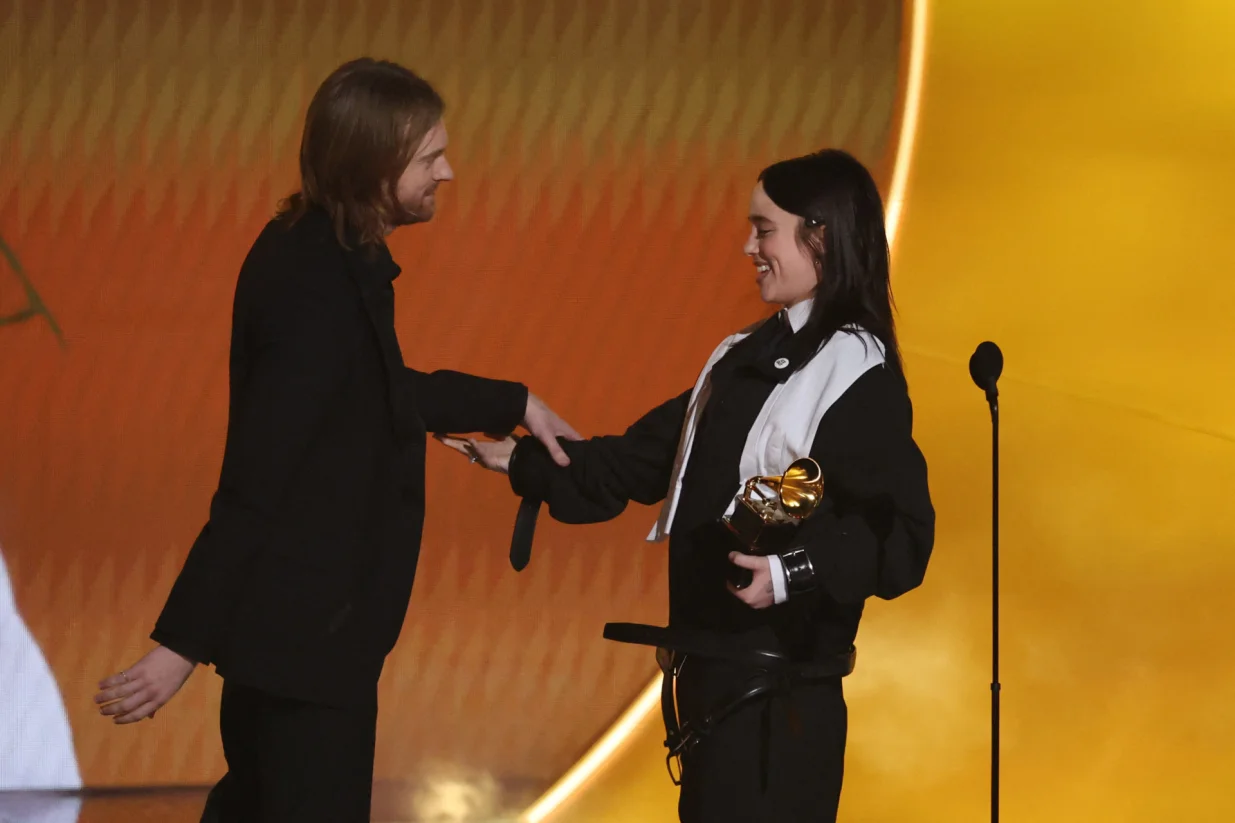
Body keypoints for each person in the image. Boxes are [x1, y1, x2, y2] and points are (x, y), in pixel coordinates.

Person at [91, 58, 580, 823]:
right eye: (429, 157)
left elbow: (368, 391)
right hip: (302, 652)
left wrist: (510, 400)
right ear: (372, 166)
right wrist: (179, 645)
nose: (448, 172)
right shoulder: (311, 283)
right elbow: (256, 480)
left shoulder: (326, 256)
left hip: (307, 647)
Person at [442, 149, 935, 822]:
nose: (748, 247)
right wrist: (522, 461)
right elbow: (641, 460)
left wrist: (786, 572)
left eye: (763, 229)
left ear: (818, 237)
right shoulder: (740, 358)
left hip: (779, 713)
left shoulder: (857, 373)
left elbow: (899, 536)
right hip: (712, 700)